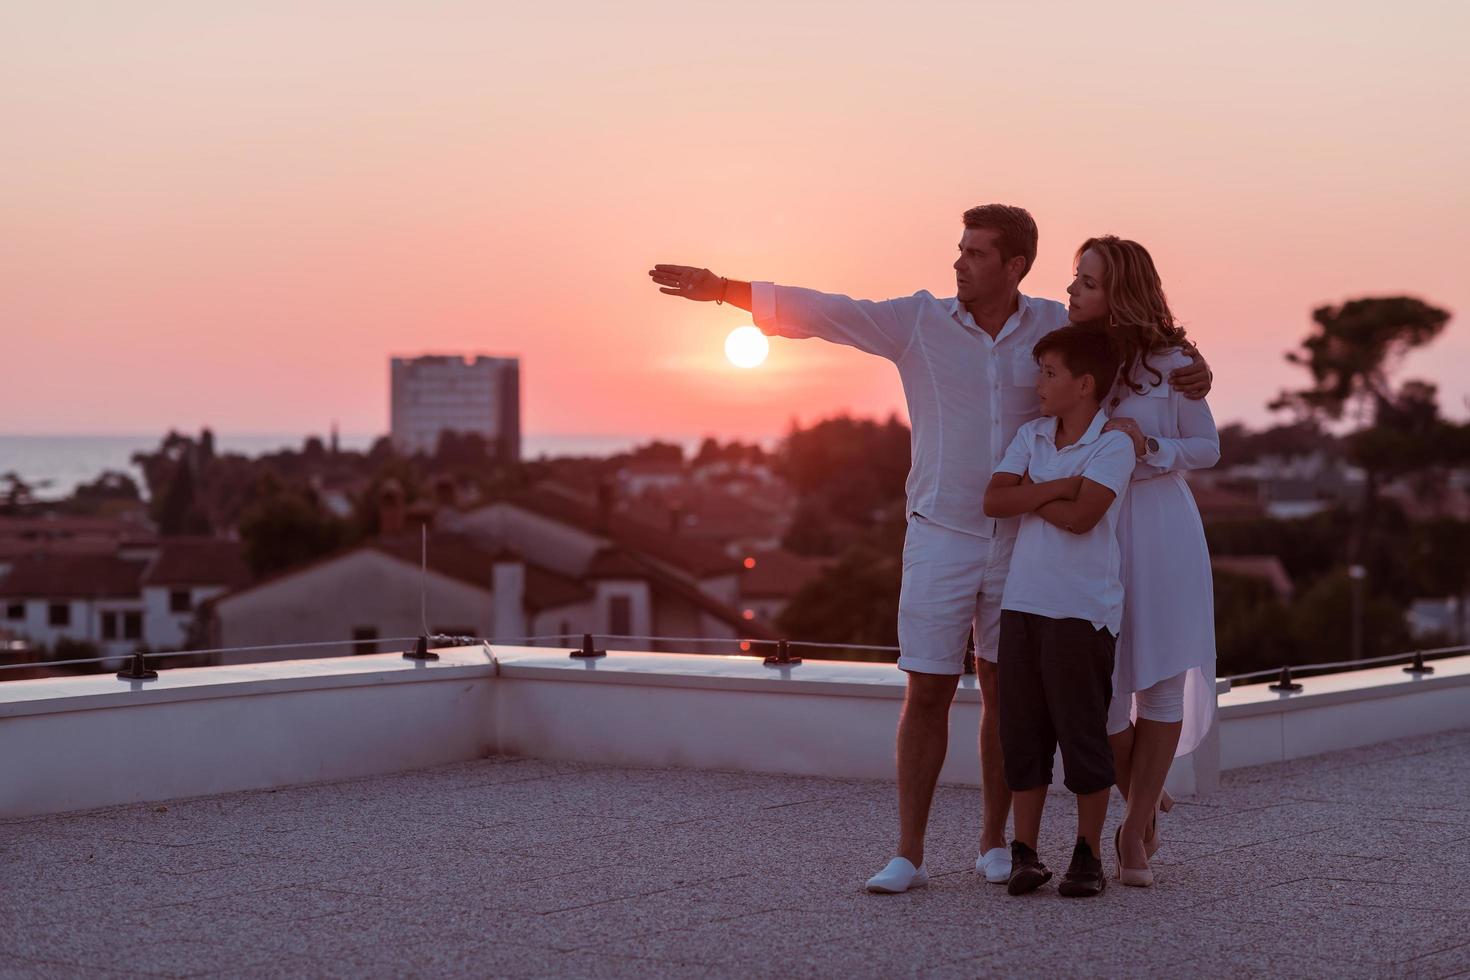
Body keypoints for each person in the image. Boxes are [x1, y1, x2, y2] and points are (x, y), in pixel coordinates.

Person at [647, 206, 1210, 894]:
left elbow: (1129, 340)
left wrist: (1193, 366)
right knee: (928, 690)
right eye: (960, 249)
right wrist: (724, 288)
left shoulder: (1051, 326)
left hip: (1022, 544)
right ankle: (908, 853)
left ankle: (996, 844)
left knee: (1012, 695)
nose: (959, 262)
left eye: (976, 253)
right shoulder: (916, 321)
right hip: (940, 533)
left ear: (1015, 266)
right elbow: (826, 310)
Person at [1067, 236, 1221, 886]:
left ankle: (1132, 835)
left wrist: (1149, 441)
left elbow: (1208, 446)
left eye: (1088, 281)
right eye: (1074, 279)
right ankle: (1145, 799)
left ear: (1120, 292)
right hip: (1092, 531)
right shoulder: (1068, 357)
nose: (1073, 290)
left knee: (1157, 680)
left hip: (1161, 527)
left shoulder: (1174, 363)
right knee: (1101, 693)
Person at [983, 324, 1134, 897]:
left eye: (1049, 373)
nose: (1038, 383)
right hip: (1021, 605)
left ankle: (1088, 855)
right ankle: (1025, 853)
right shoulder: (1032, 435)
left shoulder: (1113, 444)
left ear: (1085, 383)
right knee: (1021, 735)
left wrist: (1035, 492)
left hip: (1081, 611)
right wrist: (1061, 485)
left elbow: (1083, 517)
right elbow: (993, 500)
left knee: (1082, 737)